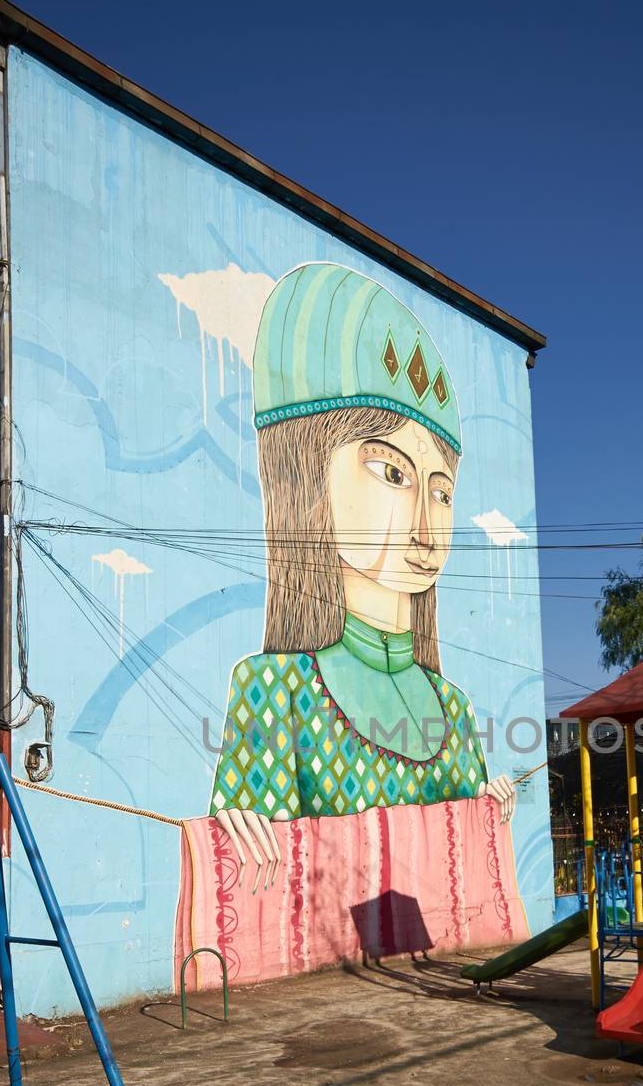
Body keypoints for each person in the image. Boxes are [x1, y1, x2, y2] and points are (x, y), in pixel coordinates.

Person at [209, 261, 516, 890]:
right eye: (393, 474)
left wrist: (486, 812)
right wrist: (233, 836)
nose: (426, 532)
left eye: (443, 492)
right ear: (307, 476)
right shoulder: (275, 690)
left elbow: (461, 884)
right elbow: (249, 899)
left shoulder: (454, 712)